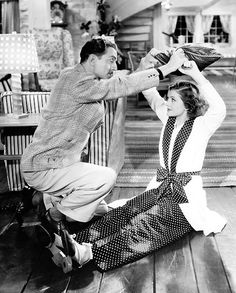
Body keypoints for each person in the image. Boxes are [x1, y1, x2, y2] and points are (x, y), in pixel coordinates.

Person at [38, 60, 227, 273]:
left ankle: (87, 254)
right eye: (167, 98)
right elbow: (148, 90)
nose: (166, 102)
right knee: (127, 211)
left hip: (186, 201)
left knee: (145, 224)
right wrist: (148, 65)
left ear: (188, 104)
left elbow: (219, 108)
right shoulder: (168, 118)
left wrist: (196, 75)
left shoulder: (202, 125)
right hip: (160, 188)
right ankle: (72, 242)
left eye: (172, 99)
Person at [20, 36, 186, 234]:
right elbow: (118, 86)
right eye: (110, 60)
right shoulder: (75, 80)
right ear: (92, 60)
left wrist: (144, 66)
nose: (114, 66)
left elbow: (119, 84)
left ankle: (43, 198)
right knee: (106, 178)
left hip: (62, 162)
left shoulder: (84, 79)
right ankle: (53, 214)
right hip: (44, 165)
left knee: (101, 209)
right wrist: (165, 69)